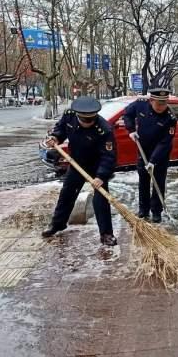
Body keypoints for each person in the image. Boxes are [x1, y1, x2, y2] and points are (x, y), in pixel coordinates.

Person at [42, 96, 117, 246]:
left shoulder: (104, 129)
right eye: (84, 121)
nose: (87, 124)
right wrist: (55, 138)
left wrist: (101, 176)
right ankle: (57, 224)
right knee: (67, 194)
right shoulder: (69, 115)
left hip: (97, 167)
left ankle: (106, 234)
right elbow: (61, 129)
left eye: (90, 121)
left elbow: (109, 156)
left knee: (101, 200)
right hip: (76, 164)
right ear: (77, 116)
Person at [123, 87, 177, 223]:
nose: (162, 107)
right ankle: (143, 210)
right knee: (144, 180)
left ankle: (157, 211)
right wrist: (130, 130)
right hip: (143, 150)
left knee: (158, 181)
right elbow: (127, 114)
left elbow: (165, 142)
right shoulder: (140, 104)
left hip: (161, 154)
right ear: (151, 100)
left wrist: (153, 161)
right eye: (159, 104)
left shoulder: (170, 118)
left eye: (164, 103)